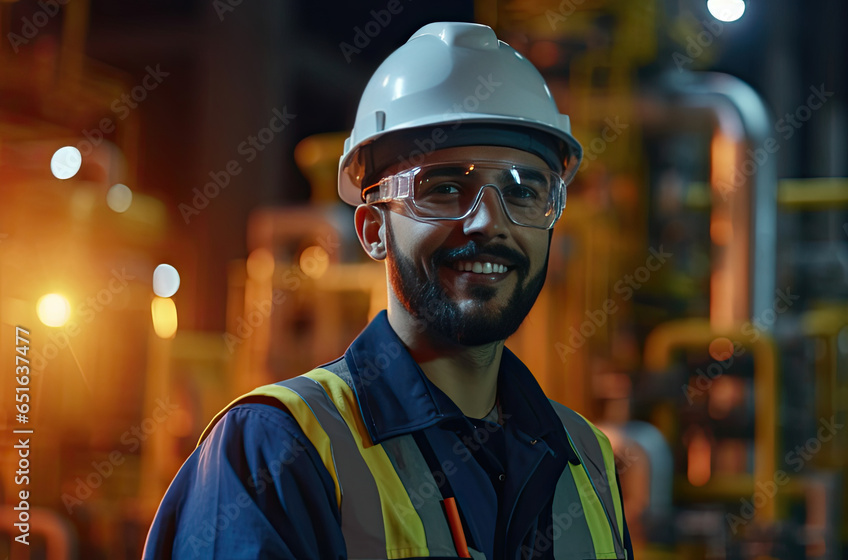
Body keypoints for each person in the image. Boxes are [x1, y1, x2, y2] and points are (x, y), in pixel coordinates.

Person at [143, 21, 633, 560]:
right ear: (374, 230)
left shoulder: (586, 459)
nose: (489, 223)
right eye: (445, 189)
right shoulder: (277, 447)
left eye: (524, 192)